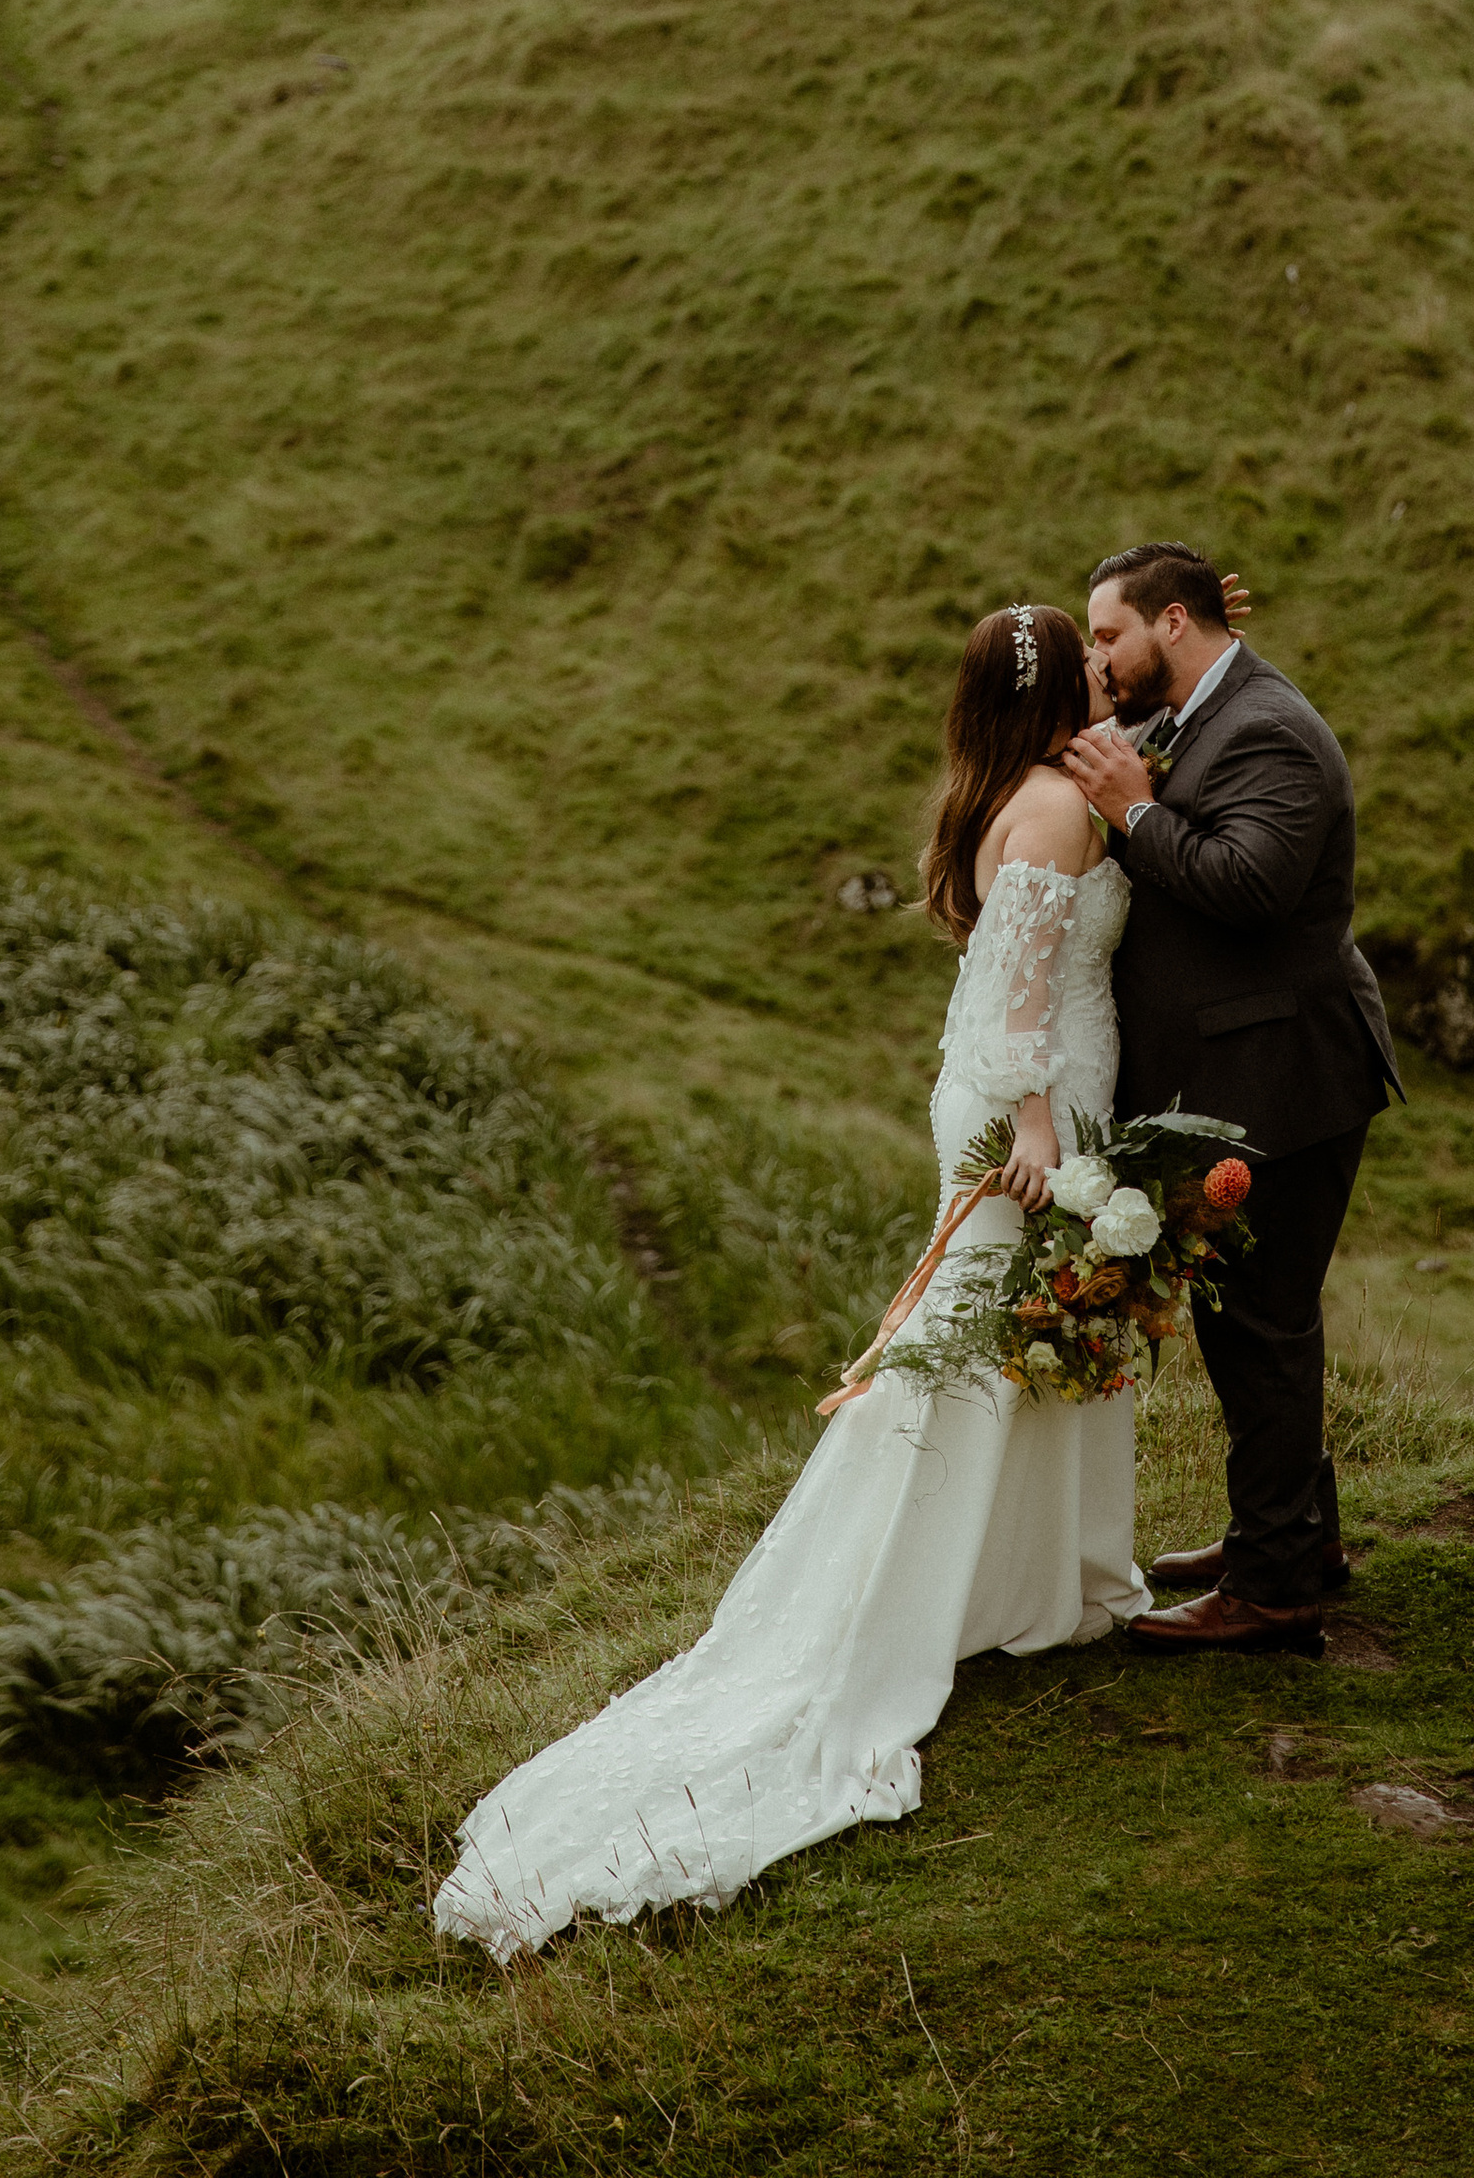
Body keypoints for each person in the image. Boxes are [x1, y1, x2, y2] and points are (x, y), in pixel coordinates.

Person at [432, 600, 1145, 1959]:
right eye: (1094, 664)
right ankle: (929, 1597)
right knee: (975, 1352)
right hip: (1031, 1114)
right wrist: (1039, 1136)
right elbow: (1015, 998)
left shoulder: (1006, 790)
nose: (1113, 678)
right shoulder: (1057, 807)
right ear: (1065, 686)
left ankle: (1032, 1579)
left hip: (1020, 1096)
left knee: (1007, 1344)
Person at [1062, 540, 1400, 1655]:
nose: (1098, 659)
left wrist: (1134, 815)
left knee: (1260, 1323)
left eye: (1108, 634)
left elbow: (1252, 886)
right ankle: (1293, 1535)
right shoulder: (1195, 710)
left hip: (1285, 1077)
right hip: (1248, 1071)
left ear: (1171, 623)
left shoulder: (1268, 730)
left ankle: (1274, 1588)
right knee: (1249, 1317)